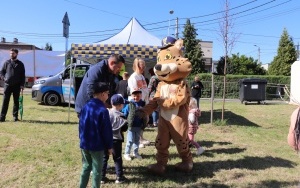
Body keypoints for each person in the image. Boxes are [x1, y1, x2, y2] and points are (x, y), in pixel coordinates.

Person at [78, 82, 113, 188]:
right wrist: (109, 146)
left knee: (86, 167)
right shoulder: (103, 110)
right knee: (97, 171)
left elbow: (80, 125)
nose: (108, 95)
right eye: (107, 93)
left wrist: (81, 138)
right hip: (97, 146)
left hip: (84, 144)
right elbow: (106, 131)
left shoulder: (85, 107)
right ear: (102, 94)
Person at [101, 94, 129, 184]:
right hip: (116, 140)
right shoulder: (122, 115)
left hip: (105, 139)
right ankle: (119, 177)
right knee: (117, 158)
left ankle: (101, 177)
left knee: (104, 157)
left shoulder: (106, 112)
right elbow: (124, 128)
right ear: (120, 105)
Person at [127, 57, 150, 147]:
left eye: (144, 66)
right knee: (137, 123)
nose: (143, 68)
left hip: (143, 102)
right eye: (142, 66)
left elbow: (145, 89)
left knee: (144, 121)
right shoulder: (133, 77)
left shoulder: (142, 76)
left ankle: (141, 138)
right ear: (137, 66)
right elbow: (134, 92)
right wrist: (138, 104)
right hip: (137, 104)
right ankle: (137, 140)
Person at [0, 48, 25, 122]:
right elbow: (2, 72)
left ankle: (15, 117)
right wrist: (4, 78)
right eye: (10, 53)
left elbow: (22, 75)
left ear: (17, 54)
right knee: (5, 101)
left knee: (16, 102)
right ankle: (2, 117)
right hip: (7, 85)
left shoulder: (20, 64)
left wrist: (22, 85)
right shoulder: (6, 63)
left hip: (16, 85)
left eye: (13, 53)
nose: (11, 54)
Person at [122, 89, 147, 161]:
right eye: (134, 96)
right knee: (130, 140)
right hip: (131, 125)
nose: (136, 97)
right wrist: (125, 120)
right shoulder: (130, 104)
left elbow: (146, 113)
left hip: (139, 125)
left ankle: (135, 152)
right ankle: (127, 153)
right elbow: (125, 112)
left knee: (137, 140)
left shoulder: (143, 104)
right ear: (132, 96)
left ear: (141, 95)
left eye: (138, 96)